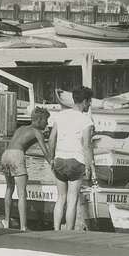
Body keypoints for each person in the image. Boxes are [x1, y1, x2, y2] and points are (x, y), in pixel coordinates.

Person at [48, 85, 96, 231]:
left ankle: (56, 231)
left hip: (59, 160)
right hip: (76, 161)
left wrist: (51, 158)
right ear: (85, 101)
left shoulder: (60, 115)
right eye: (89, 102)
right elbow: (87, 145)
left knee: (60, 198)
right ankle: (68, 233)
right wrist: (91, 167)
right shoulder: (86, 120)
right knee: (72, 199)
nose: (90, 105)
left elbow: (51, 139)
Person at [0, 107, 54, 230]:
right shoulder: (36, 132)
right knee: (22, 194)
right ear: (39, 120)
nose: (47, 123)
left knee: (9, 188)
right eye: (46, 120)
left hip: (6, 155)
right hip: (17, 155)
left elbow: (22, 140)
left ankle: (6, 222)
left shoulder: (21, 128)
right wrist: (53, 165)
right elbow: (45, 152)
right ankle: (23, 227)